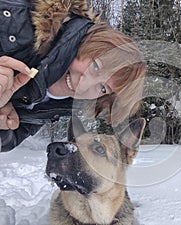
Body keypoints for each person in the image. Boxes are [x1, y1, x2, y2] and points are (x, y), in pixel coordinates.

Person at [0, 0, 146, 151]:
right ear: (87, 43)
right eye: (95, 66)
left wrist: (3, 128)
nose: (83, 85)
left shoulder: (54, 104)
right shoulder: (16, 23)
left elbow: (10, 140)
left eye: (103, 88)